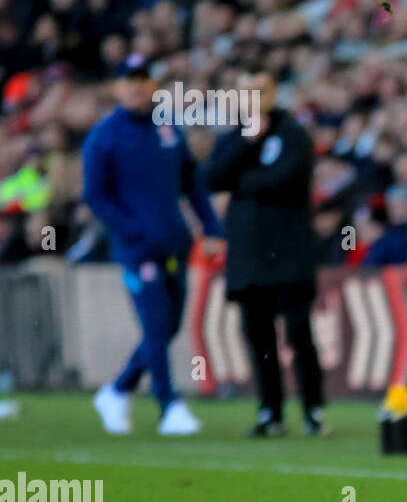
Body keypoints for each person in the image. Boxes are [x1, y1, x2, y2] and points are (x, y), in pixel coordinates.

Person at [82, 53, 223, 435]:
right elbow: (95, 195)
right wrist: (130, 231)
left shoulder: (168, 129)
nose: (137, 86)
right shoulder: (105, 136)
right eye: (129, 79)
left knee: (170, 325)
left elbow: (192, 183)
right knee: (157, 323)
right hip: (136, 249)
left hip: (175, 244)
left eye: (143, 79)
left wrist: (211, 227)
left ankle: (118, 389)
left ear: (154, 86)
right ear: (117, 86)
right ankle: (168, 404)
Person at [203, 68, 327, 438]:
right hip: (247, 255)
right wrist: (246, 144)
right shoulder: (233, 137)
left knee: (298, 333)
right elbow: (208, 179)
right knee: (258, 337)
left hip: (289, 251)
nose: (253, 98)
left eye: (260, 90)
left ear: (274, 93)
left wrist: (240, 182)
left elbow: (285, 180)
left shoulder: (293, 134)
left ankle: (313, 409)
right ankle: (269, 411)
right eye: (246, 91)